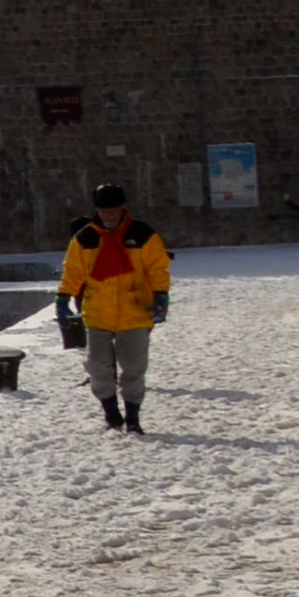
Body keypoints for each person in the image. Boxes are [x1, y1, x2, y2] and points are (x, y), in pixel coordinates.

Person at [58, 183, 171, 433]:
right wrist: (63, 297)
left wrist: (161, 294)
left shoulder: (142, 234)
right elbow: (73, 271)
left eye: (114, 210)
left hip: (135, 312)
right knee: (97, 367)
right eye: (104, 210)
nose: (109, 215)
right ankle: (111, 413)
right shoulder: (85, 238)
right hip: (98, 312)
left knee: (133, 368)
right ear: (97, 210)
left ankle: (133, 419)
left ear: (123, 208)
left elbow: (157, 267)